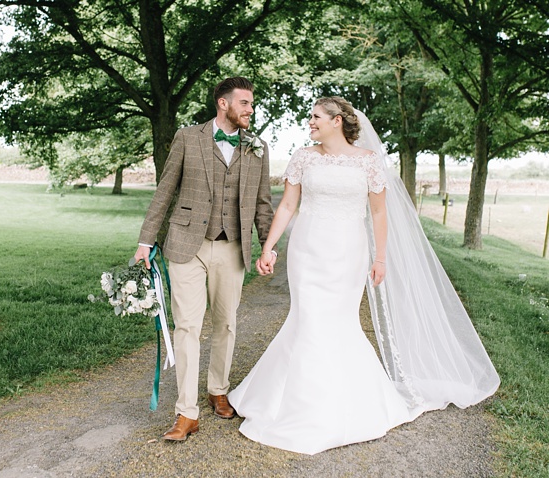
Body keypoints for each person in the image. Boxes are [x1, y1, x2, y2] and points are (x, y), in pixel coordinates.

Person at [227, 97, 499, 454]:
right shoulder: (303, 157)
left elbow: (379, 213)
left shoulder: (369, 163)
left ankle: (339, 403)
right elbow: (289, 206)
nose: (310, 122)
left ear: (336, 121)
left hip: (347, 252)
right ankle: (294, 401)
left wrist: (381, 257)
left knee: (338, 322)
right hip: (307, 250)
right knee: (306, 318)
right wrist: (269, 247)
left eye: (315, 117)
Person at [133, 77, 275, 441]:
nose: (250, 109)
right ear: (223, 104)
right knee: (187, 327)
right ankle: (186, 412)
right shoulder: (187, 137)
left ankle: (218, 389)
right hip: (186, 245)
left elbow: (262, 204)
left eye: (251, 103)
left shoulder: (258, 147)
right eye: (244, 103)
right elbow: (164, 191)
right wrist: (146, 241)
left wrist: (267, 245)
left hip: (233, 248)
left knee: (226, 323)